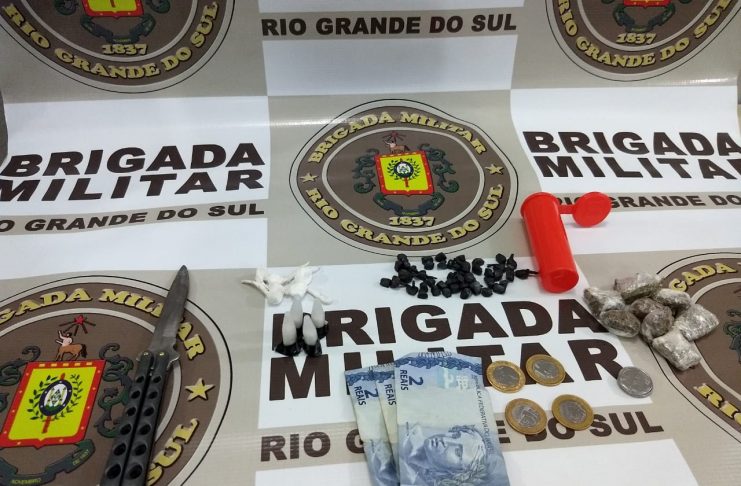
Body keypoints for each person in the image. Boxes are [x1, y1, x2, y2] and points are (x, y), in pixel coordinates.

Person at [399, 423, 507, 486]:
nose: (446, 440)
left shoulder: (412, 479)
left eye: (458, 452)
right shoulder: (405, 429)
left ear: (456, 473)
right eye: (455, 435)